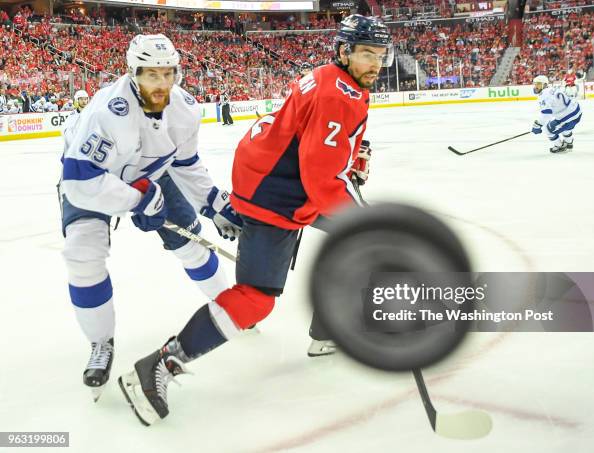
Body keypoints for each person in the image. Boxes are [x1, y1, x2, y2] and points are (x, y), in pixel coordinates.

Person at [118, 14, 393, 426]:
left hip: (269, 178)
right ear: (343, 52)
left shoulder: (330, 78)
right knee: (256, 298)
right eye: (366, 53)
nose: (375, 62)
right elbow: (321, 182)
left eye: (380, 54)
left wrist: (350, 158)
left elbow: (314, 142)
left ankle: (329, 328)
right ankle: (157, 367)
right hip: (276, 196)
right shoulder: (339, 95)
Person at [59, 34, 242, 401]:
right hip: (96, 179)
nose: (161, 84)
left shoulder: (185, 109)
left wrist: (214, 203)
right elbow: (80, 182)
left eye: (167, 74)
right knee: (82, 255)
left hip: (152, 176)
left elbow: (186, 165)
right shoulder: (107, 112)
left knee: (189, 244)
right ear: (132, 73)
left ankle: (229, 304)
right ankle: (101, 343)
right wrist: (137, 200)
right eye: (151, 75)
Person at [531, 74, 582, 153]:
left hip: (568, 116)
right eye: (535, 84)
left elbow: (546, 115)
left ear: (544, 85)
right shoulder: (552, 88)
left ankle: (559, 146)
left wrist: (537, 125)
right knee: (565, 128)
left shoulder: (544, 95)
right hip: (576, 111)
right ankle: (569, 144)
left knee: (548, 129)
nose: (536, 87)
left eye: (538, 84)